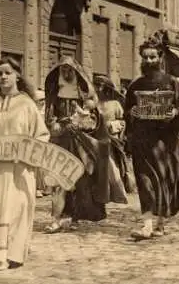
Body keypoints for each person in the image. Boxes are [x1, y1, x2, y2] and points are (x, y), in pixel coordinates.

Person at [0, 57, 47, 271]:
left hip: (21, 166)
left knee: (18, 207)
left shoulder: (26, 104)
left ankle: (16, 253)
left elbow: (42, 134)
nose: (3, 77)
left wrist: (28, 153)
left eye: (8, 72)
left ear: (17, 75)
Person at [44, 56, 127, 233]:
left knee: (81, 180)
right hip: (60, 141)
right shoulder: (55, 96)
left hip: (81, 143)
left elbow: (95, 120)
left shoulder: (85, 97)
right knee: (59, 180)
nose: (66, 73)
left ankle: (73, 214)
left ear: (75, 72)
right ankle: (57, 217)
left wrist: (82, 121)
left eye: (69, 70)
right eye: (62, 70)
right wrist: (54, 124)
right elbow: (49, 117)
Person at [124, 36, 179, 239]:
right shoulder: (136, 85)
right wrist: (132, 113)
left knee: (163, 181)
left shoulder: (172, 82)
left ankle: (160, 223)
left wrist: (175, 113)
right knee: (144, 181)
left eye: (153, 57)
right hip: (142, 141)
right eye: (145, 57)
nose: (149, 61)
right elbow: (127, 109)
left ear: (160, 57)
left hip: (165, 143)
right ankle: (146, 225)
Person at [94, 75, 135, 193]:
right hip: (97, 136)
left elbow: (123, 122)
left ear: (106, 88)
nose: (96, 88)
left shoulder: (115, 104)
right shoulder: (95, 104)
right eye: (95, 85)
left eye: (99, 86)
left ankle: (116, 186)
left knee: (112, 162)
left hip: (111, 136)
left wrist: (112, 126)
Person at [34, 88, 51, 198]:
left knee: (46, 165)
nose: (42, 101)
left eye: (44, 99)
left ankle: (46, 187)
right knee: (36, 165)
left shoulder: (46, 111)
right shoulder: (33, 111)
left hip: (47, 139)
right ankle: (37, 188)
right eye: (40, 99)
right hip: (36, 139)